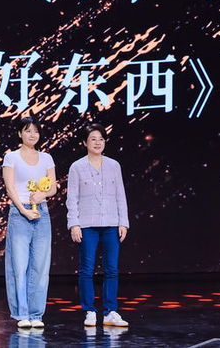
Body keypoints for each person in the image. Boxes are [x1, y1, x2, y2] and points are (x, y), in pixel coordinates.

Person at [66, 123, 130, 328]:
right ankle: (89, 311)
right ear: (85, 142)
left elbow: (120, 195)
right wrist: (74, 224)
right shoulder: (77, 167)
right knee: (86, 269)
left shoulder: (114, 165)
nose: (97, 143)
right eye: (93, 139)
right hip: (87, 224)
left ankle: (111, 311)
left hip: (111, 223)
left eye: (101, 139)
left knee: (112, 269)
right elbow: (72, 198)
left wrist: (123, 222)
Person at [3, 117, 57, 328]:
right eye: (27, 131)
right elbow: (10, 189)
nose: (32, 135)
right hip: (20, 212)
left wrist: (43, 195)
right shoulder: (11, 157)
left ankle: (36, 314)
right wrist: (24, 210)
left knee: (40, 266)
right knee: (19, 266)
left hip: (41, 212)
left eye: (35, 131)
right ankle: (21, 313)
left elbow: (53, 187)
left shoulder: (46, 158)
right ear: (20, 134)